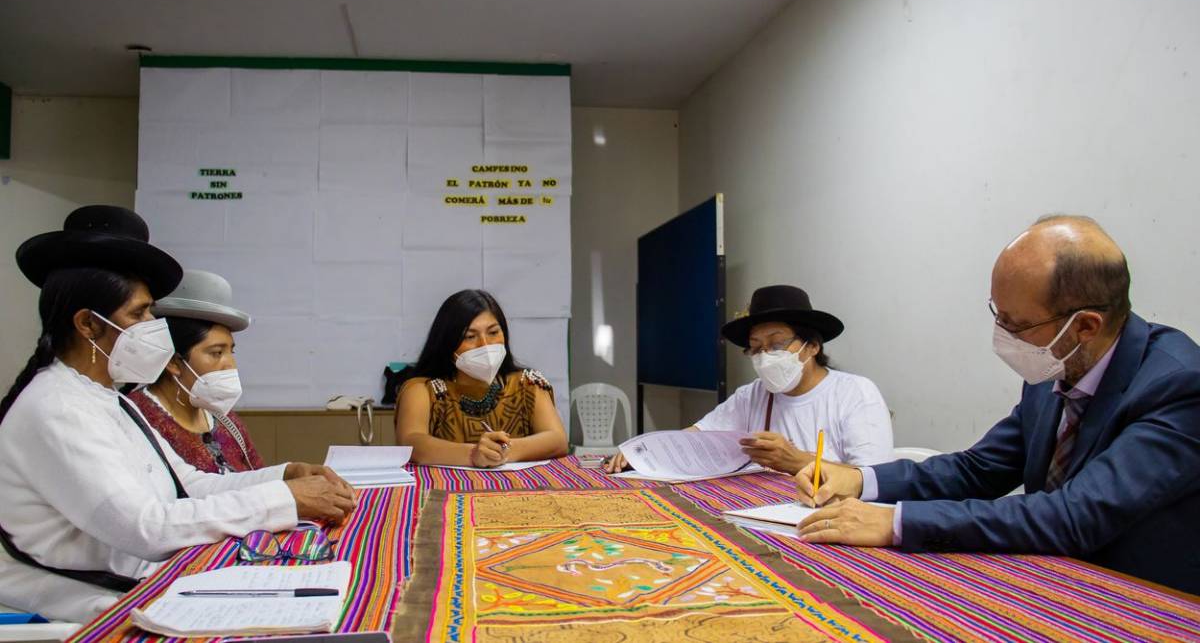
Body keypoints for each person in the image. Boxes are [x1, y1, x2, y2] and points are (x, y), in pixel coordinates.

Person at [795, 215, 1200, 596]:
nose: (1002, 336)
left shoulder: (1179, 385)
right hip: (1052, 578)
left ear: (1084, 326)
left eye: (1016, 324)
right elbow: (979, 469)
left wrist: (897, 521)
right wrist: (860, 480)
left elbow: (1075, 516)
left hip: (1143, 600)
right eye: (997, 315)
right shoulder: (1054, 369)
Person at [0, 206, 357, 622]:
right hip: (95, 601)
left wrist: (284, 475)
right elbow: (147, 529)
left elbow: (186, 485)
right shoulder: (55, 408)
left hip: (145, 578)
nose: (154, 326)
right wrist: (285, 499)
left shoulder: (105, 397)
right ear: (88, 325)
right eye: (140, 313)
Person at [606, 285, 893, 474]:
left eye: (777, 344)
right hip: (761, 511)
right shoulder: (754, 395)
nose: (766, 356)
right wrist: (642, 453)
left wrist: (796, 461)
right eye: (756, 348)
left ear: (813, 346)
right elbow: (698, 435)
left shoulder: (854, 393)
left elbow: (875, 480)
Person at [396, 289, 568, 466]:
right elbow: (411, 442)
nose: (485, 345)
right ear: (447, 342)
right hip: (448, 489)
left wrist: (501, 451)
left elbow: (557, 440)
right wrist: (473, 455)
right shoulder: (423, 389)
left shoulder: (528, 383)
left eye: (493, 332)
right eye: (470, 336)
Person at [128, 269, 263, 473]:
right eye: (217, 353)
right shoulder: (138, 422)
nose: (230, 365)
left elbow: (259, 476)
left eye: (231, 351)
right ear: (173, 361)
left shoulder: (227, 421)